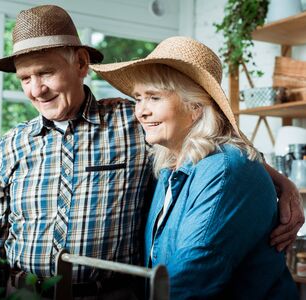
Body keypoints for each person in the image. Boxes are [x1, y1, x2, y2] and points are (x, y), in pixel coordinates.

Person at [0, 4, 302, 298]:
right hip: (26, 294)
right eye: (25, 78)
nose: (36, 89)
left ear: (81, 63)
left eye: (46, 73)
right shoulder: (13, 143)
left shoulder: (134, 123)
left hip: (111, 294)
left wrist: (282, 183)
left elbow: (215, 137)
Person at [90, 36, 298, 299]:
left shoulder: (224, 170)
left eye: (154, 97)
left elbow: (187, 285)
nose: (140, 111)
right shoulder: (171, 167)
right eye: (138, 98)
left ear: (196, 108)